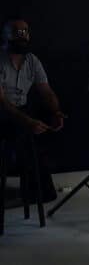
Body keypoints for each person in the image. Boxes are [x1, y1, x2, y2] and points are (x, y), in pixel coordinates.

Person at [0, 16, 64, 204]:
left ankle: (35, 189)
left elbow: (46, 92)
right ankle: (35, 192)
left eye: (25, 32)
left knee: (45, 127)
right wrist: (27, 122)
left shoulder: (32, 61)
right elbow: (1, 101)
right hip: (3, 112)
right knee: (26, 134)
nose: (22, 37)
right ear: (5, 36)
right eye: (17, 33)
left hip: (22, 109)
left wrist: (56, 112)